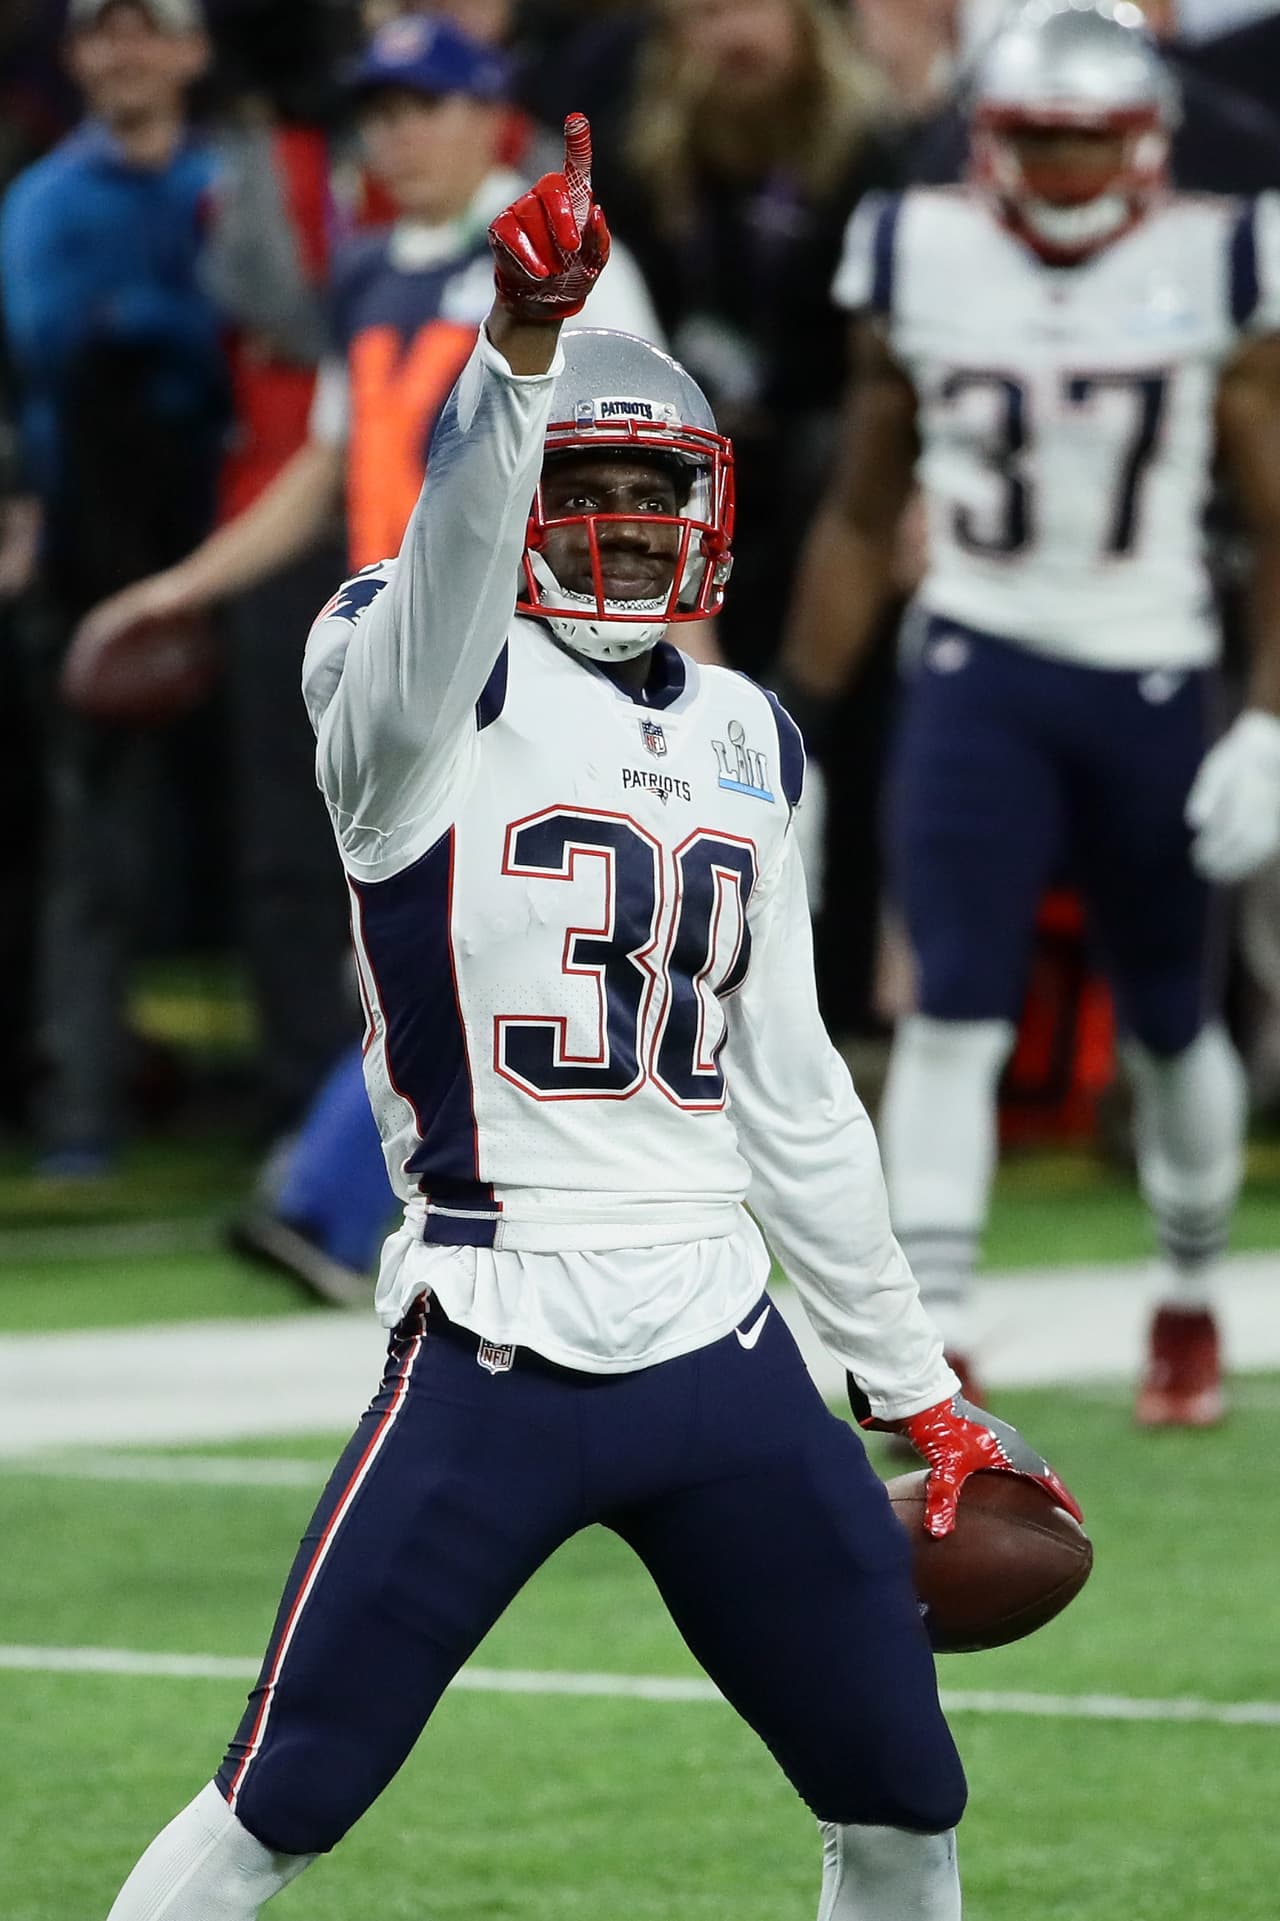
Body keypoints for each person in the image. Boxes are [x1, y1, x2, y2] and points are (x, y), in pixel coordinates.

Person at [103, 122, 1081, 1921]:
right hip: (495, 1334)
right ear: (530, 491)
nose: (630, 531)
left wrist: (918, 1389)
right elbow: (455, 549)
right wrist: (516, 353)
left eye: (659, 495)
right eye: (590, 491)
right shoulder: (409, 678)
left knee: (902, 1793)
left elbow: (794, 1096)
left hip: (722, 1340)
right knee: (279, 1797)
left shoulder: (742, 732)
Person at [79, 11, 666, 1297]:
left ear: (487, 116)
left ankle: (331, 1200)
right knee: (417, 932)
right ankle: (380, 1201)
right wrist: (178, 588)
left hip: (531, 637)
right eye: (379, 111)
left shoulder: (561, 256)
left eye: (421, 107)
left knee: (463, 929)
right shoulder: (366, 267)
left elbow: (646, 473)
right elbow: (326, 468)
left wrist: (683, 667)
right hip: (395, 651)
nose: (393, 135)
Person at [777, 0, 1280, 1427]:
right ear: (990, 143)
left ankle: (1188, 1295)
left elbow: (1277, 511)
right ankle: (940, 1337)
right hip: (979, 661)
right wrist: (795, 721)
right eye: (1037, 145)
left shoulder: (1223, 254)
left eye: (1086, 146)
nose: (1061, 176)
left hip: (1153, 665)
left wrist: (1268, 719)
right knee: (952, 1006)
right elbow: (865, 509)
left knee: (1173, 1018)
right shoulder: (918, 248)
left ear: (1145, 146)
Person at [0, 0, 223, 1175]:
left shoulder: (237, 180)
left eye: (150, 30)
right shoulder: (41, 202)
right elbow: (58, 342)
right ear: (77, 54)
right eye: (103, 32)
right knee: (95, 853)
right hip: (95, 558)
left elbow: (264, 339)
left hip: (241, 538)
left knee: (300, 847)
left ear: (192, 49)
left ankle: (308, 1096)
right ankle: (80, 1107)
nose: (125, 52)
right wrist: (186, 328)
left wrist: (163, 329)